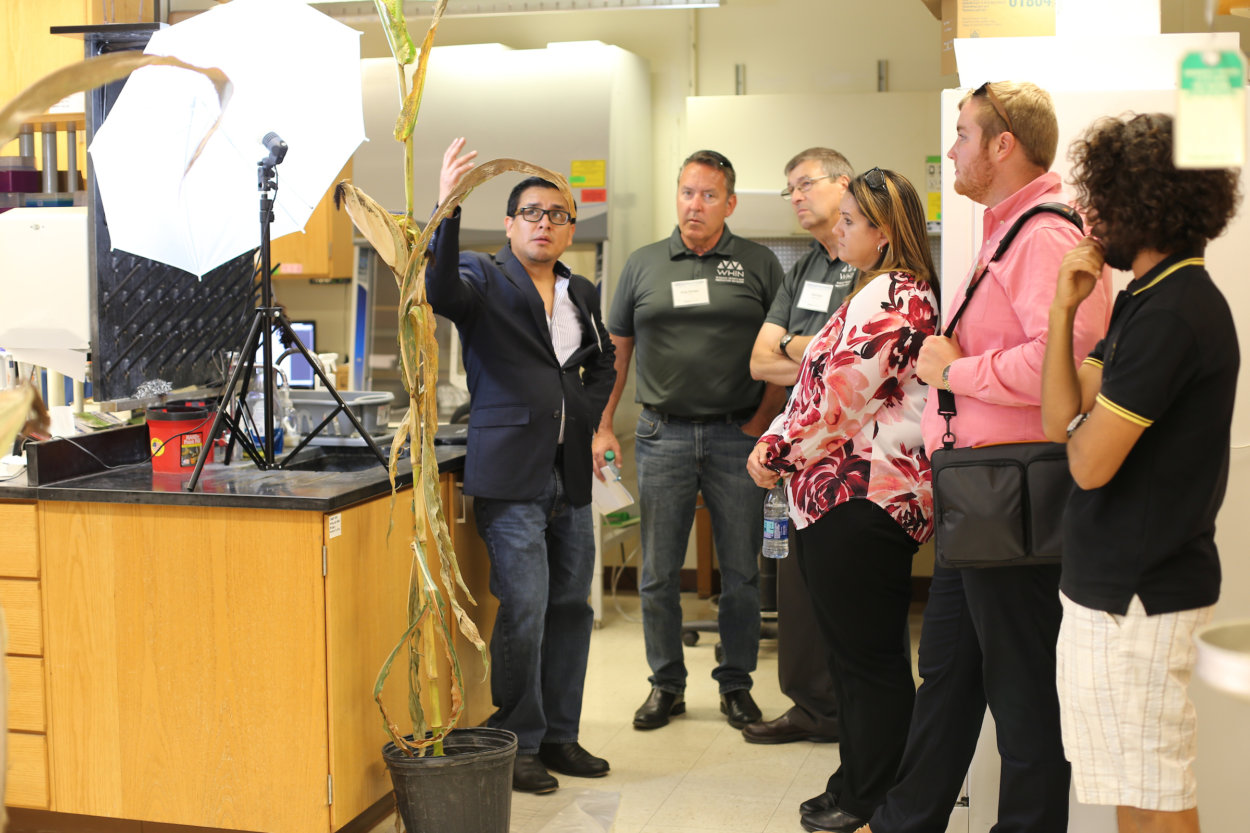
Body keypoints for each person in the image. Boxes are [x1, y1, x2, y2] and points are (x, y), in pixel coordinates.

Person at [855, 82, 1113, 833]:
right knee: (949, 675)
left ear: (1004, 145)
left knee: (1025, 690)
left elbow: (1062, 362)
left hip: (1015, 494)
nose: (953, 151)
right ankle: (905, 820)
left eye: (963, 134)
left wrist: (952, 372)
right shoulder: (1007, 232)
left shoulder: (1045, 235)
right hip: (980, 495)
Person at [1041, 112, 1240, 833]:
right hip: (1114, 586)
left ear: (1144, 204)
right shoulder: (1141, 300)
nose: (1092, 220)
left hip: (1141, 592)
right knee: (1135, 781)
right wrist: (1064, 311)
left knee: (1157, 788)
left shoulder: (1178, 312)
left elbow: (1088, 462)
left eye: (1105, 203)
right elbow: (1058, 415)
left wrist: (1077, 431)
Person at [749, 168, 938, 833]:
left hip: (865, 497)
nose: (839, 229)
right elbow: (816, 381)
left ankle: (872, 794)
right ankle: (855, 780)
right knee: (852, 657)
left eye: (851, 221)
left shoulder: (900, 295)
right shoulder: (875, 289)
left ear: (884, 234)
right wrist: (783, 441)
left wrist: (774, 450)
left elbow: (838, 397)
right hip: (838, 496)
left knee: (870, 659)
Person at [426, 137, 617, 794]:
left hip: (572, 474)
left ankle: (562, 734)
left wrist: (584, 411)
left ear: (570, 228)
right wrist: (447, 208)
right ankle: (520, 738)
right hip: (510, 476)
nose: (544, 222)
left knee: (571, 604)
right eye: (532, 212)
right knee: (528, 603)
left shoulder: (581, 290)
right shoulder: (483, 275)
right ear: (509, 225)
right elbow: (440, 289)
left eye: (558, 214)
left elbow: (603, 363)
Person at [596, 149, 786, 731]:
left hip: (738, 435)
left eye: (708, 195)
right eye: (686, 192)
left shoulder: (758, 263)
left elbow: (785, 354)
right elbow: (617, 353)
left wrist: (763, 424)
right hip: (662, 433)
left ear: (730, 203)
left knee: (741, 572)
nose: (694, 205)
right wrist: (603, 424)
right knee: (657, 572)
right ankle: (666, 685)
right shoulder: (644, 264)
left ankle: (736, 685)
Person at [743, 147, 859, 746]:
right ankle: (812, 706)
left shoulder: (874, 261)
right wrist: (809, 348)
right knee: (798, 588)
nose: (796, 196)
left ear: (845, 184)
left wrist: (796, 348)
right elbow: (762, 360)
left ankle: (858, 715)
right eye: (789, 187)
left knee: (851, 592)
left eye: (806, 183)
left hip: (855, 458)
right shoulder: (806, 269)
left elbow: (858, 366)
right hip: (798, 456)